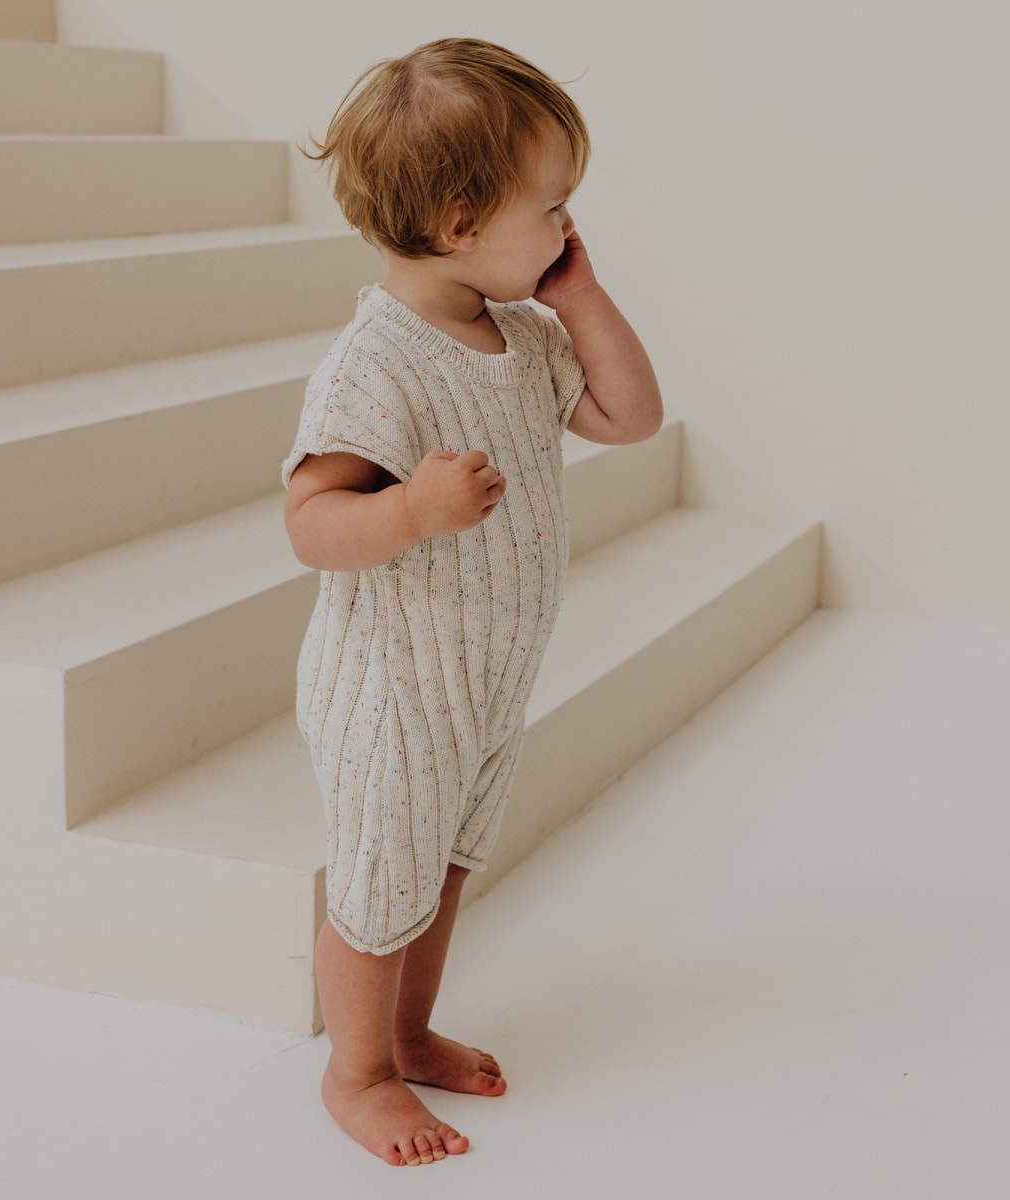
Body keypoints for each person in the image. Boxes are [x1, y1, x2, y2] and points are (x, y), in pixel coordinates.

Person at [282, 37, 662, 1167]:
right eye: (552, 206)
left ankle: (406, 1035)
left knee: (441, 869)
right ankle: (355, 1075)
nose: (568, 224)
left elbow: (630, 416)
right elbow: (311, 521)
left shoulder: (528, 337)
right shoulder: (377, 362)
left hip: (483, 679)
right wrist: (410, 510)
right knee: (379, 883)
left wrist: (580, 294)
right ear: (459, 224)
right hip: (395, 688)